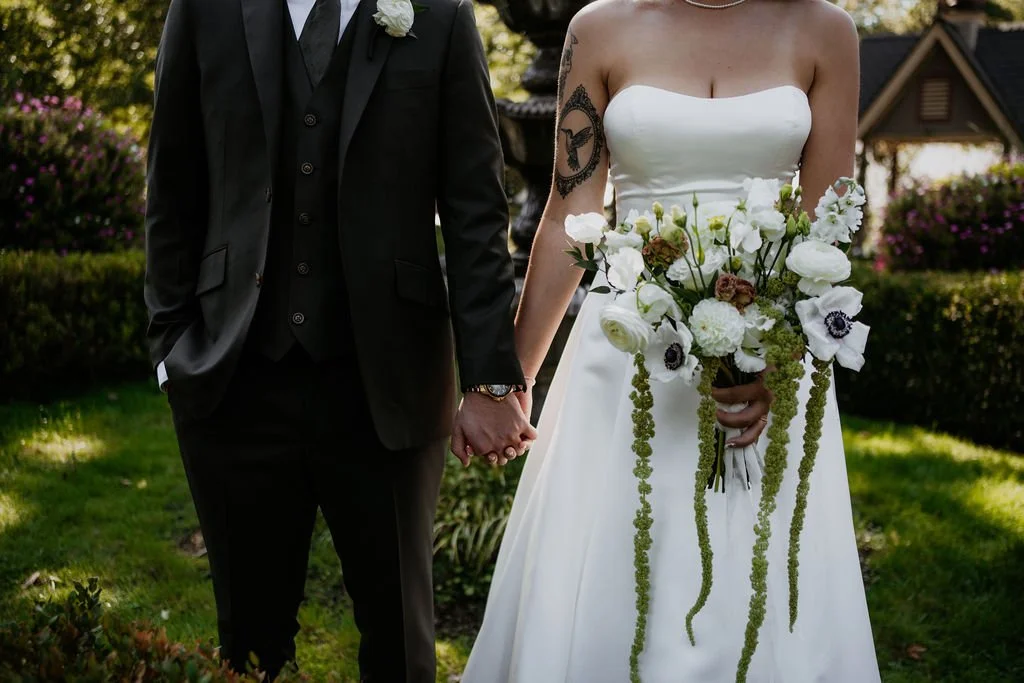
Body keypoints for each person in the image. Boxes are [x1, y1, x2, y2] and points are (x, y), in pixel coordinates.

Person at [463, 0, 881, 680]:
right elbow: (572, 209)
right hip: (624, 353)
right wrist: (509, 379)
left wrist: (775, 357)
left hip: (770, 362)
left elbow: (826, 220)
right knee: (616, 571)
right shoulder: (598, 27)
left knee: (758, 578)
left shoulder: (824, 30)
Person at [143, 0, 535, 679]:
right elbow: (172, 184)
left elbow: (476, 207)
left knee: (401, 642)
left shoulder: (438, 16)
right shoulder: (204, 11)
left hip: (389, 383)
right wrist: (171, 350)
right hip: (235, 376)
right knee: (248, 645)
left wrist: (490, 380)